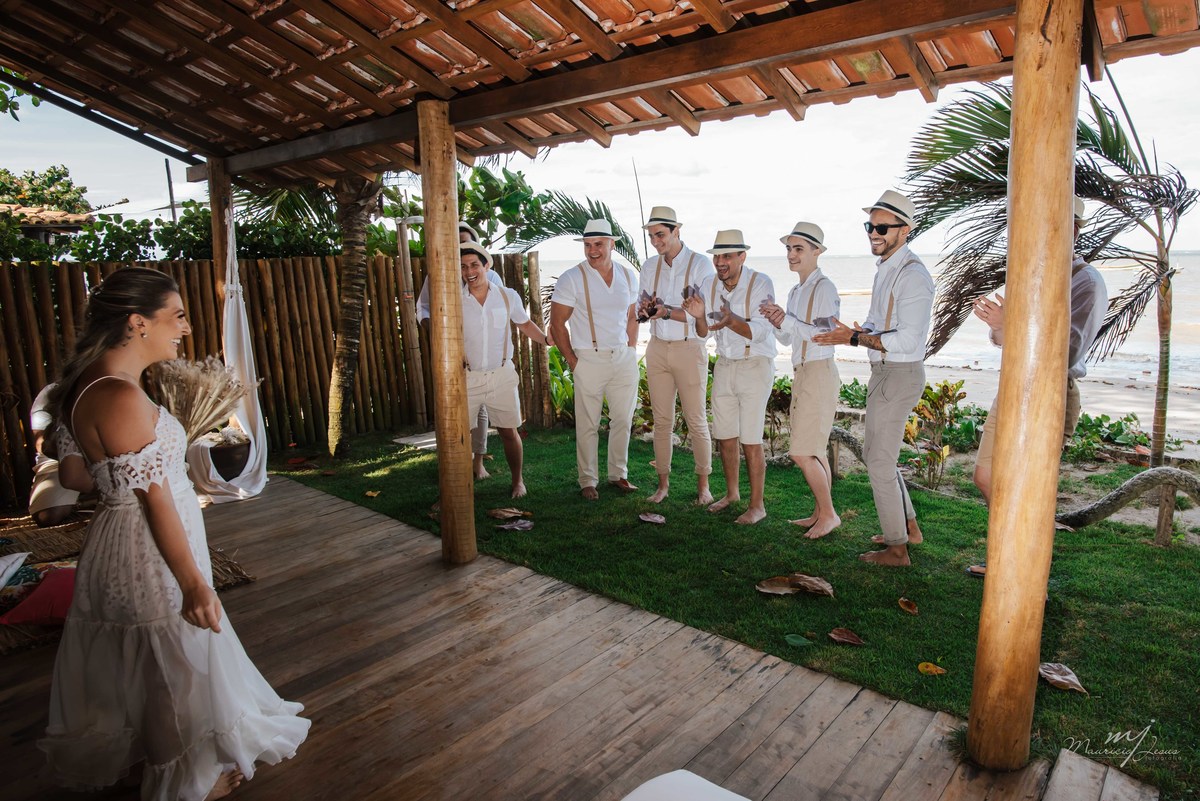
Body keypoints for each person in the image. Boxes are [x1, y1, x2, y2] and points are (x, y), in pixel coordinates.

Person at [39, 267, 309, 800]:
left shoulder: (89, 384)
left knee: (144, 659)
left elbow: (78, 475)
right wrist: (194, 584)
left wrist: (123, 475)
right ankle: (183, 784)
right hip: (147, 547)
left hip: (121, 536)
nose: (185, 327)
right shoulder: (119, 396)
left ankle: (151, 759)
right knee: (170, 665)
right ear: (138, 322)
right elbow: (155, 500)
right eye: (177, 315)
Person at [968, 197, 1108, 575]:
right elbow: (1003, 339)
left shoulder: (1086, 282)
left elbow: (1067, 351)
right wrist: (999, 326)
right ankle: (1010, 557)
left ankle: (1027, 579)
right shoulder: (1032, 273)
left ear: (1073, 230)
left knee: (1029, 489)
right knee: (985, 475)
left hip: (1052, 393)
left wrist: (1010, 323)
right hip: (1013, 384)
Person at [815, 191, 934, 566]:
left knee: (880, 462)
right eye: (870, 226)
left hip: (899, 374)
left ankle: (897, 549)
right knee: (875, 456)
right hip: (885, 372)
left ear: (905, 230)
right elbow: (879, 323)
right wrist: (857, 330)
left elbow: (908, 341)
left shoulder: (913, 276)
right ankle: (908, 528)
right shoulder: (887, 268)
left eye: (882, 227)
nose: (873, 233)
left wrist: (852, 338)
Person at [761, 222, 842, 538]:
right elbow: (788, 338)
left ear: (816, 251)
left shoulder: (825, 288)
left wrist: (788, 320)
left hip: (819, 372)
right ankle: (819, 513)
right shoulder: (796, 291)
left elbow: (825, 334)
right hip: (803, 372)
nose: (791, 255)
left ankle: (830, 515)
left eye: (798, 249)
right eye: (789, 249)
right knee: (815, 450)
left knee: (801, 452)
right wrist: (776, 321)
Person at [549, 218, 640, 500]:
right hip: (589, 358)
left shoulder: (627, 276)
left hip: (623, 357)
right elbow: (557, 324)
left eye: (598, 244)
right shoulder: (572, 278)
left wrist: (631, 349)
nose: (592, 250)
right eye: (587, 245)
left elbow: (632, 316)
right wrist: (573, 361)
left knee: (623, 419)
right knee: (588, 423)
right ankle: (587, 480)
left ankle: (618, 474)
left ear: (612, 244)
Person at [636, 206, 717, 505]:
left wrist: (667, 311)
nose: (655, 241)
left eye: (660, 235)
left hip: (689, 347)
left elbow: (704, 313)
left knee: (696, 420)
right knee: (662, 421)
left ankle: (704, 487)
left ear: (676, 231)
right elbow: (642, 308)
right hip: (657, 347)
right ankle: (662, 486)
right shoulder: (649, 266)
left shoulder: (700, 264)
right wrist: (645, 311)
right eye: (651, 236)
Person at [695, 229, 776, 525]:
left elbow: (762, 330)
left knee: (751, 439)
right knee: (725, 435)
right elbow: (702, 333)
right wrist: (699, 316)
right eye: (717, 256)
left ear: (742, 256)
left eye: (727, 256)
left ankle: (758, 506)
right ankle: (732, 494)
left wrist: (731, 320)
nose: (720, 262)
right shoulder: (708, 284)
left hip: (755, 365)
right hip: (725, 365)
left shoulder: (761, 282)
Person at [460, 242, 552, 498]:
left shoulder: (506, 296)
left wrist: (546, 339)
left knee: (509, 431)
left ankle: (518, 481)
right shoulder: (456, 300)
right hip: (468, 377)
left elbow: (524, 324)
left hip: (501, 375)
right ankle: (457, 489)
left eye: (474, 265)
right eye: (464, 267)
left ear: (486, 266)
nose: (469, 271)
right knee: (459, 437)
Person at [417, 221, 494, 479]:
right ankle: (456, 460)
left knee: (480, 409)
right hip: (449, 354)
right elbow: (423, 308)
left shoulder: (491, 276)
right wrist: (438, 333)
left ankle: (478, 462)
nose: (462, 246)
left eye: (466, 241)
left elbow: (501, 309)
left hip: (479, 354)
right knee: (452, 405)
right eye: (457, 242)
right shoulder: (436, 275)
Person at [28, 382, 84, 526]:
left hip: (112, 454)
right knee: (48, 515)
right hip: (62, 456)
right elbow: (42, 444)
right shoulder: (53, 392)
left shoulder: (119, 386)